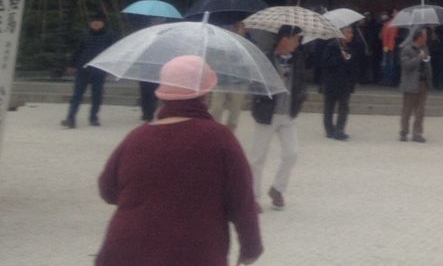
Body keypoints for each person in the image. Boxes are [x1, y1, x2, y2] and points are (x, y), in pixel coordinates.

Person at [95, 55, 262, 266]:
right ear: (206, 95)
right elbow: (242, 200)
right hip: (194, 252)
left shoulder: (137, 137)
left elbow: (108, 190)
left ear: (163, 95)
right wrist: (251, 248)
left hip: (125, 251)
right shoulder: (220, 138)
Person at [248, 25, 306, 211]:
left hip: (288, 113)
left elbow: (301, 82)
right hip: (267, 113)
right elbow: (254, 85)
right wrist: (272, 85)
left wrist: (300, 97)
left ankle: (277, 188)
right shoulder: (265, 58)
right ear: (284, 39)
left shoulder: (298, 59)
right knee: (258, 157)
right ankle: (253, 196)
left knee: (292, 153)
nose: (298, 42)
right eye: (296, 38)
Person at [63, 14, 117, 128]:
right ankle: (71, 117)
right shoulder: (85, 34)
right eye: (93, 21)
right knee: (77, 94)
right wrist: (72, 64)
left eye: (98, 21)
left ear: (103, 23)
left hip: (99, 69)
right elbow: (78, 50)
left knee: (97, 95)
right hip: (83, 68)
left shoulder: (110, 35)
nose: (96, 23)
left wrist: (112, 66)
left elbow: (115, 51)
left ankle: (93, 117)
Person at [321, 25, 357, 140]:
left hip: (345, 82)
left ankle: (339, 129)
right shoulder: (331, 46)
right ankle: (329, 130)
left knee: (344, 107)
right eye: (349, 33)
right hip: (332, 82)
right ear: (342, 34)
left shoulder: (349, 47)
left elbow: (352, 65)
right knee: (329, 107)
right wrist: (339, 58)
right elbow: (325, 63)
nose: (351, 35)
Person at [212, 21, 249, 130]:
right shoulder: (222, 33)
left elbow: (248, 58)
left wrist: (242, 36)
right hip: (221, 78)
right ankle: (214, 134)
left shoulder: (249, 40)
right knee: (215, 110)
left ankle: (229, 138)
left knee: (234, 116)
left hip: (240, 81)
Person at [399, 27, 432, 142]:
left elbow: (427, 64)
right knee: (407, 110)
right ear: (419, 38)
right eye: (424, 36)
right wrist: (419, 58)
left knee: (420, 110)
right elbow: (406, 65)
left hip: (423, 83)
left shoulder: (425, 49)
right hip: (411, 83)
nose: (426, 38)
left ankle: (417, 133)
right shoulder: (407, 49)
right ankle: (403, 132)